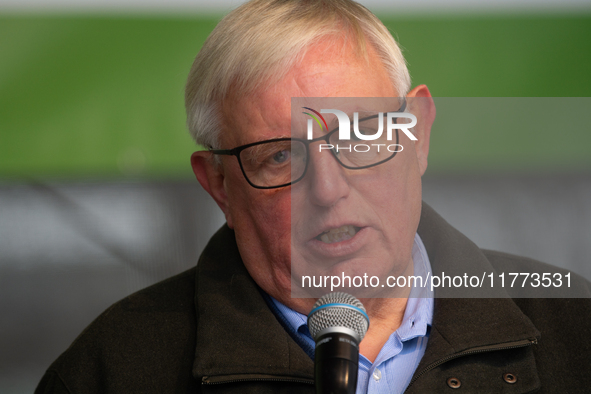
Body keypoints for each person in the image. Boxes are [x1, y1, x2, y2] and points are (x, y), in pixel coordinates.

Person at [36, 0, 591, 393]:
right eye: (280, 155)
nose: (327, 190)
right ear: (220, 186)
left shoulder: (575, 327)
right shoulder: (109, 371)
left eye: (362, 135)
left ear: (416, 134)